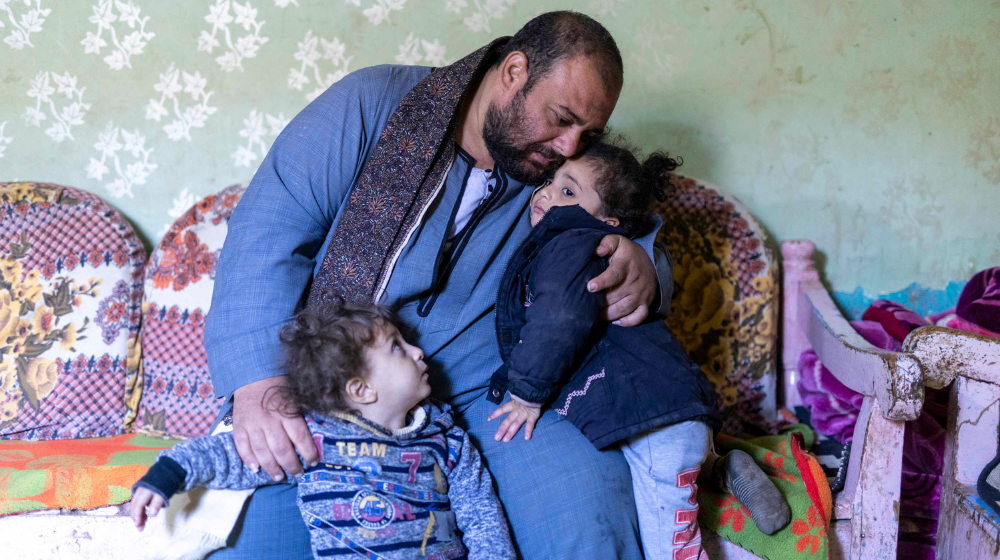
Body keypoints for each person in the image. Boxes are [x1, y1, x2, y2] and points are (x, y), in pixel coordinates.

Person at [206, 11, 670, 559]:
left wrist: (644, 266)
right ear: (514, 71)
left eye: (587, 134)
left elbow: (628, 221)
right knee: (254, 541)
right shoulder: (374, 102)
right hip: (346, 387)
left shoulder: (565, 165)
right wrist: (257, 383)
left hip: (503, 397)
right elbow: (269, 228)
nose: (570, 147)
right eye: (561, 118)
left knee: (587, 523)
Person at [485, 138, 790, 559]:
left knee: (670, 545)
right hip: (675, 410)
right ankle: (723, 469)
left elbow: (560, 317)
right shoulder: (579, 240)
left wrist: (526, 393)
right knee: (675, 474)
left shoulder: (569, 244)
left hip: (652, 423)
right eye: (551, 183)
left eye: (568, 192)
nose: (547, 195)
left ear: (609, 221)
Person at [132, 304, 514, 560]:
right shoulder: (318, 437)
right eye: (397, 348)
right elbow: (230, 455)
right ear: (361, 389)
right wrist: (167, 476)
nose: (418, 352)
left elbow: (481, 516)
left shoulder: (447, 440)